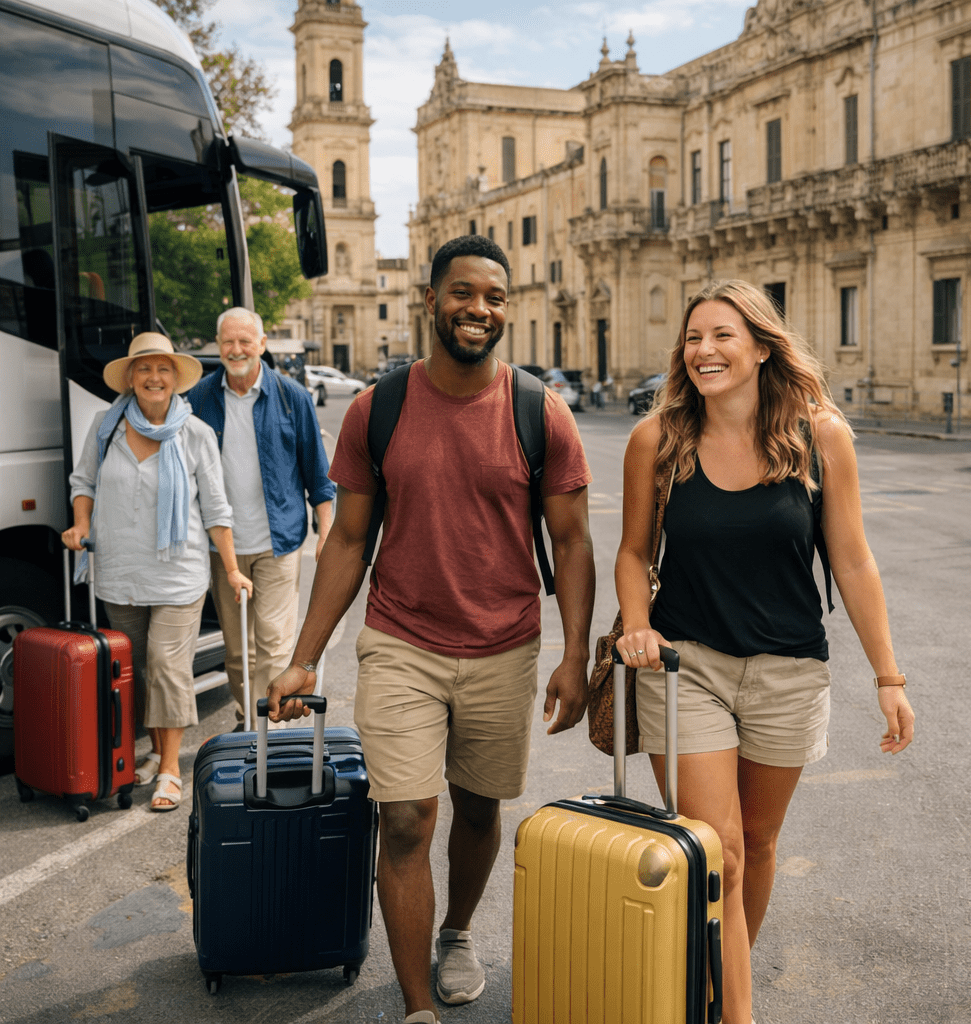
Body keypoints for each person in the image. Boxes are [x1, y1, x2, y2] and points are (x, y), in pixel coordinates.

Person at [267, 235, 596, 1024]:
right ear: (430, 299)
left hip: (505, 646)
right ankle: (419, 1007)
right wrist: (303, 658)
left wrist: (576, 655)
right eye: (461, 293)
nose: (477, 309)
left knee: (478, 811)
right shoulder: (377, 408)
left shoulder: (537, 410)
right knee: (407, 815)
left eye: (492, 297)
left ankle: (456, 932)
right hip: (401, 643)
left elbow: (573, 539)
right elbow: (347, 540)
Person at [614, 280, 915, 1024]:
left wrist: (889, 675)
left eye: (722, 336)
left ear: (759, 346)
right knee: (719, 847)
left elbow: (852, 561)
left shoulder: (821, 435)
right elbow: (629, 552)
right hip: (687, 666)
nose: (705, 351)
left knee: (760, 843)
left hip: (789, 670)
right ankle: (737, 1014)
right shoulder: (658, 438)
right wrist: (636, 624)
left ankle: (715, 980)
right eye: (693, 338)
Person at [63, 333, 253, 812]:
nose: (153, 377)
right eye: (144, 369)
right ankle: (149, 754)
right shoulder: (106, 427)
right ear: (130, 377)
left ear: (176, 378)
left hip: (177, 575)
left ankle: (169, 768)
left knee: (168, 668)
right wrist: (81, 523)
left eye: (163, 369)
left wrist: (231, 569)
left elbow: (216, 508)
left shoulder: (195, 434)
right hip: (119, 572)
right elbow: (83, 481)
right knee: (138, 671)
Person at [187, 308, 335, 728]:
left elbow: (318, 477)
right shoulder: (198, 399)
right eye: (228, 342)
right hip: (224, 547)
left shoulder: (292, 397)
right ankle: (247, 715)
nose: (237, 350)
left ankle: (261, 731)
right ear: (219, 346)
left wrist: (325, 532)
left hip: (279, 541)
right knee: (236, 652)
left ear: (262, 345)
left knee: (272, 644)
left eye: (245, 342)